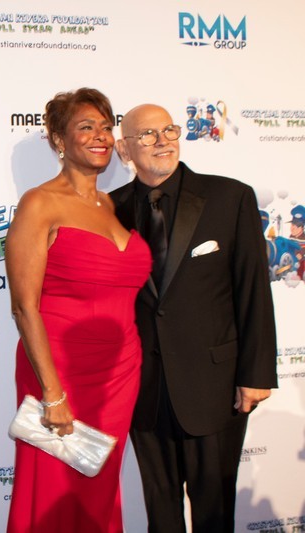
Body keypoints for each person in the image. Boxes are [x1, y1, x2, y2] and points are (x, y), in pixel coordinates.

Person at [111, 103, 278, 532]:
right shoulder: (109, 209)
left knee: (214, 514)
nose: (162, 141)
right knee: (160, 513)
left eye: (169, 130)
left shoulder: (229, 197)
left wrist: (256, 374)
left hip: (215, 387)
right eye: (147, 135)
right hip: (144, 390)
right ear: (124, 149)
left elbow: (253, 290)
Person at [5, 88, 151, 532]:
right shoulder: (40, 202)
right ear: (59, 140)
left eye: (106, 127)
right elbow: (23, 307)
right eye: (86, 127)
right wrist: (53, 393)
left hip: (119, 375)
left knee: (100, 492)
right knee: (53, 493)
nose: (100, 136)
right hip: (60, 372)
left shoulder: (118, 205)